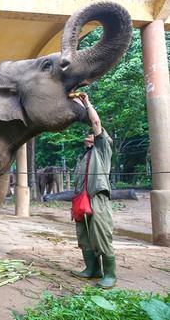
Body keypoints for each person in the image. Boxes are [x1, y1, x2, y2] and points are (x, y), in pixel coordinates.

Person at [70, 92, 116, 289]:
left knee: (101, 235)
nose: (89, 135)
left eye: (92, 134)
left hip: (97, 199)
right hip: (82, 200)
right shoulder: (85, 156)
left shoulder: (102, 149)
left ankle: (110, 275)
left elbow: (96, 123)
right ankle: (92, 269)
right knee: (84, 236)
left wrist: (86, 102)